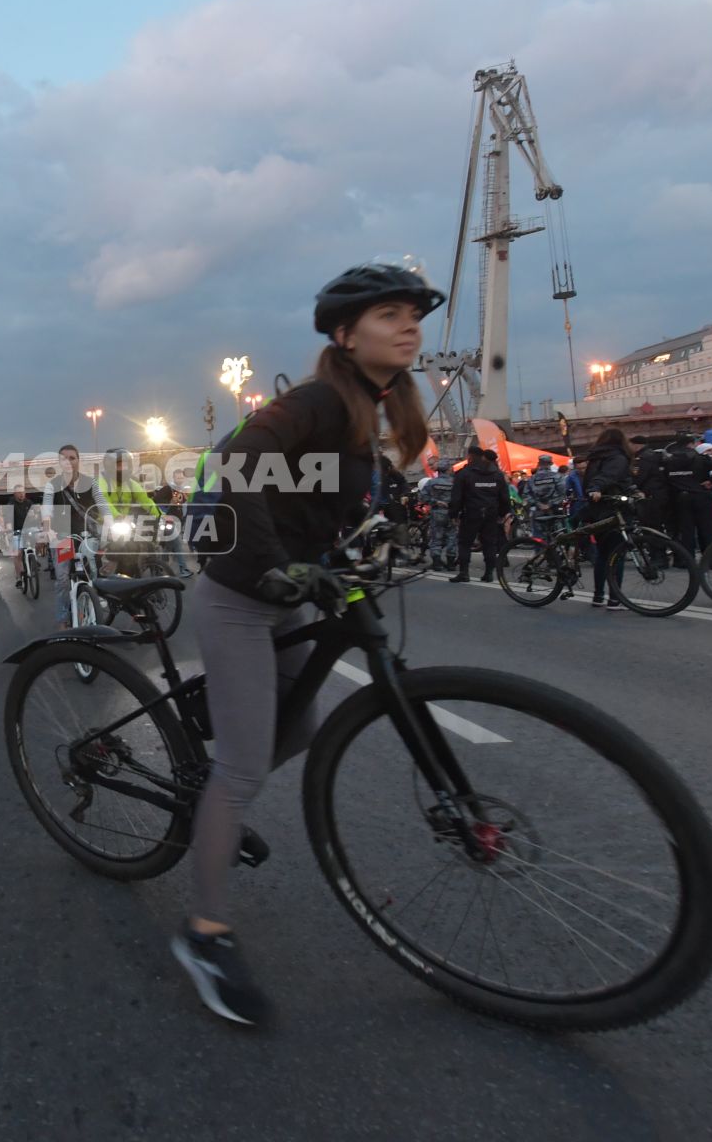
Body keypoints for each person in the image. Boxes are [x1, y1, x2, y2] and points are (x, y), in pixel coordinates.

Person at [177, 259, 440, 1028]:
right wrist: (275, 566)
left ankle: (218, 780)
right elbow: (237, 464)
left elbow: (340, 495)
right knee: (244, 763)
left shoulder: (378, 406)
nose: (409, 325)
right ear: (344, 333)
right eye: (390, 314)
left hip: (289, 586)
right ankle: (203, 934)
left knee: (305, 725)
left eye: (413, 313)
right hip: (239, 592)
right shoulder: (321, 397)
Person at [40, 444, 105, 627]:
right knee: (62, 579)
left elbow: (103, 505)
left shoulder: (91, 482)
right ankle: (63, 618)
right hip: (62, 537)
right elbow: (47, 509)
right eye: (64, 458)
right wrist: (47, 528)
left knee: (95, 571)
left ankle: (96, 602)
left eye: (72, 458)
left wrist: (109, 522)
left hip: (88, 534)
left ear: (78, 460)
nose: (68, 462)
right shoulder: (52, 485)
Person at [581, 428, 634, 611]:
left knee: (603, 555)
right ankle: (614, 598)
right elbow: (609, 477)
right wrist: (597, 487)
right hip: (614, 508)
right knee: (616, 554)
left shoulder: (596, 457)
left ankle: (598, 596)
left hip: (598, 509)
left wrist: (593, 490)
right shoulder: (617, 457)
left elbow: (590, 479)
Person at [97, 446, 161, 576]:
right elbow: (104, 502)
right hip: (104, 523)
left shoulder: (131, 483)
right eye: (120, 465)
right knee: (109, 550)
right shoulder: (101, 482)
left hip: (124, 524)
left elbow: (146, 501)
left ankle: (136, 571)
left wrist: (160, 514)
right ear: (110, 466)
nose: (124, 468)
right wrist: (116, 516)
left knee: (139, 544)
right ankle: (105, 575)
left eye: (126, 465)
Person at [448, 446, 509, 583]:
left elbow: (456, 497)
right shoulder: (497, 474)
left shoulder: (464, 473)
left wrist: (453, 514)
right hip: (491, 513)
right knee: (489, 543)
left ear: (470, 456)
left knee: (465, 543)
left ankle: (464, 573)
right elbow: (504, 496)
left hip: (471, 512)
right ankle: (488, 573)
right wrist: (503, 513)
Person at [662, 437, 712, 559]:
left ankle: (686, 560)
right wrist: (711, 481)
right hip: (701, 496)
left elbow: (663, 479)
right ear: (692, 444)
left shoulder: (668, 460)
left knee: (685, 531)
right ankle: (710, 560)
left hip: (679, 498)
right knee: (707, 529)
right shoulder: (701, 459)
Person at [423, 459, 458, 571]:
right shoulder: (455, 483)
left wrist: (435, 502)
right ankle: (451, 563)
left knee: (436, 537)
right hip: (452, 513)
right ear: (448, 469)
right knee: (452, 537)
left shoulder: (431, 482)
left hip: (437, 512)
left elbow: (423, 496)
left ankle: (437, 563)